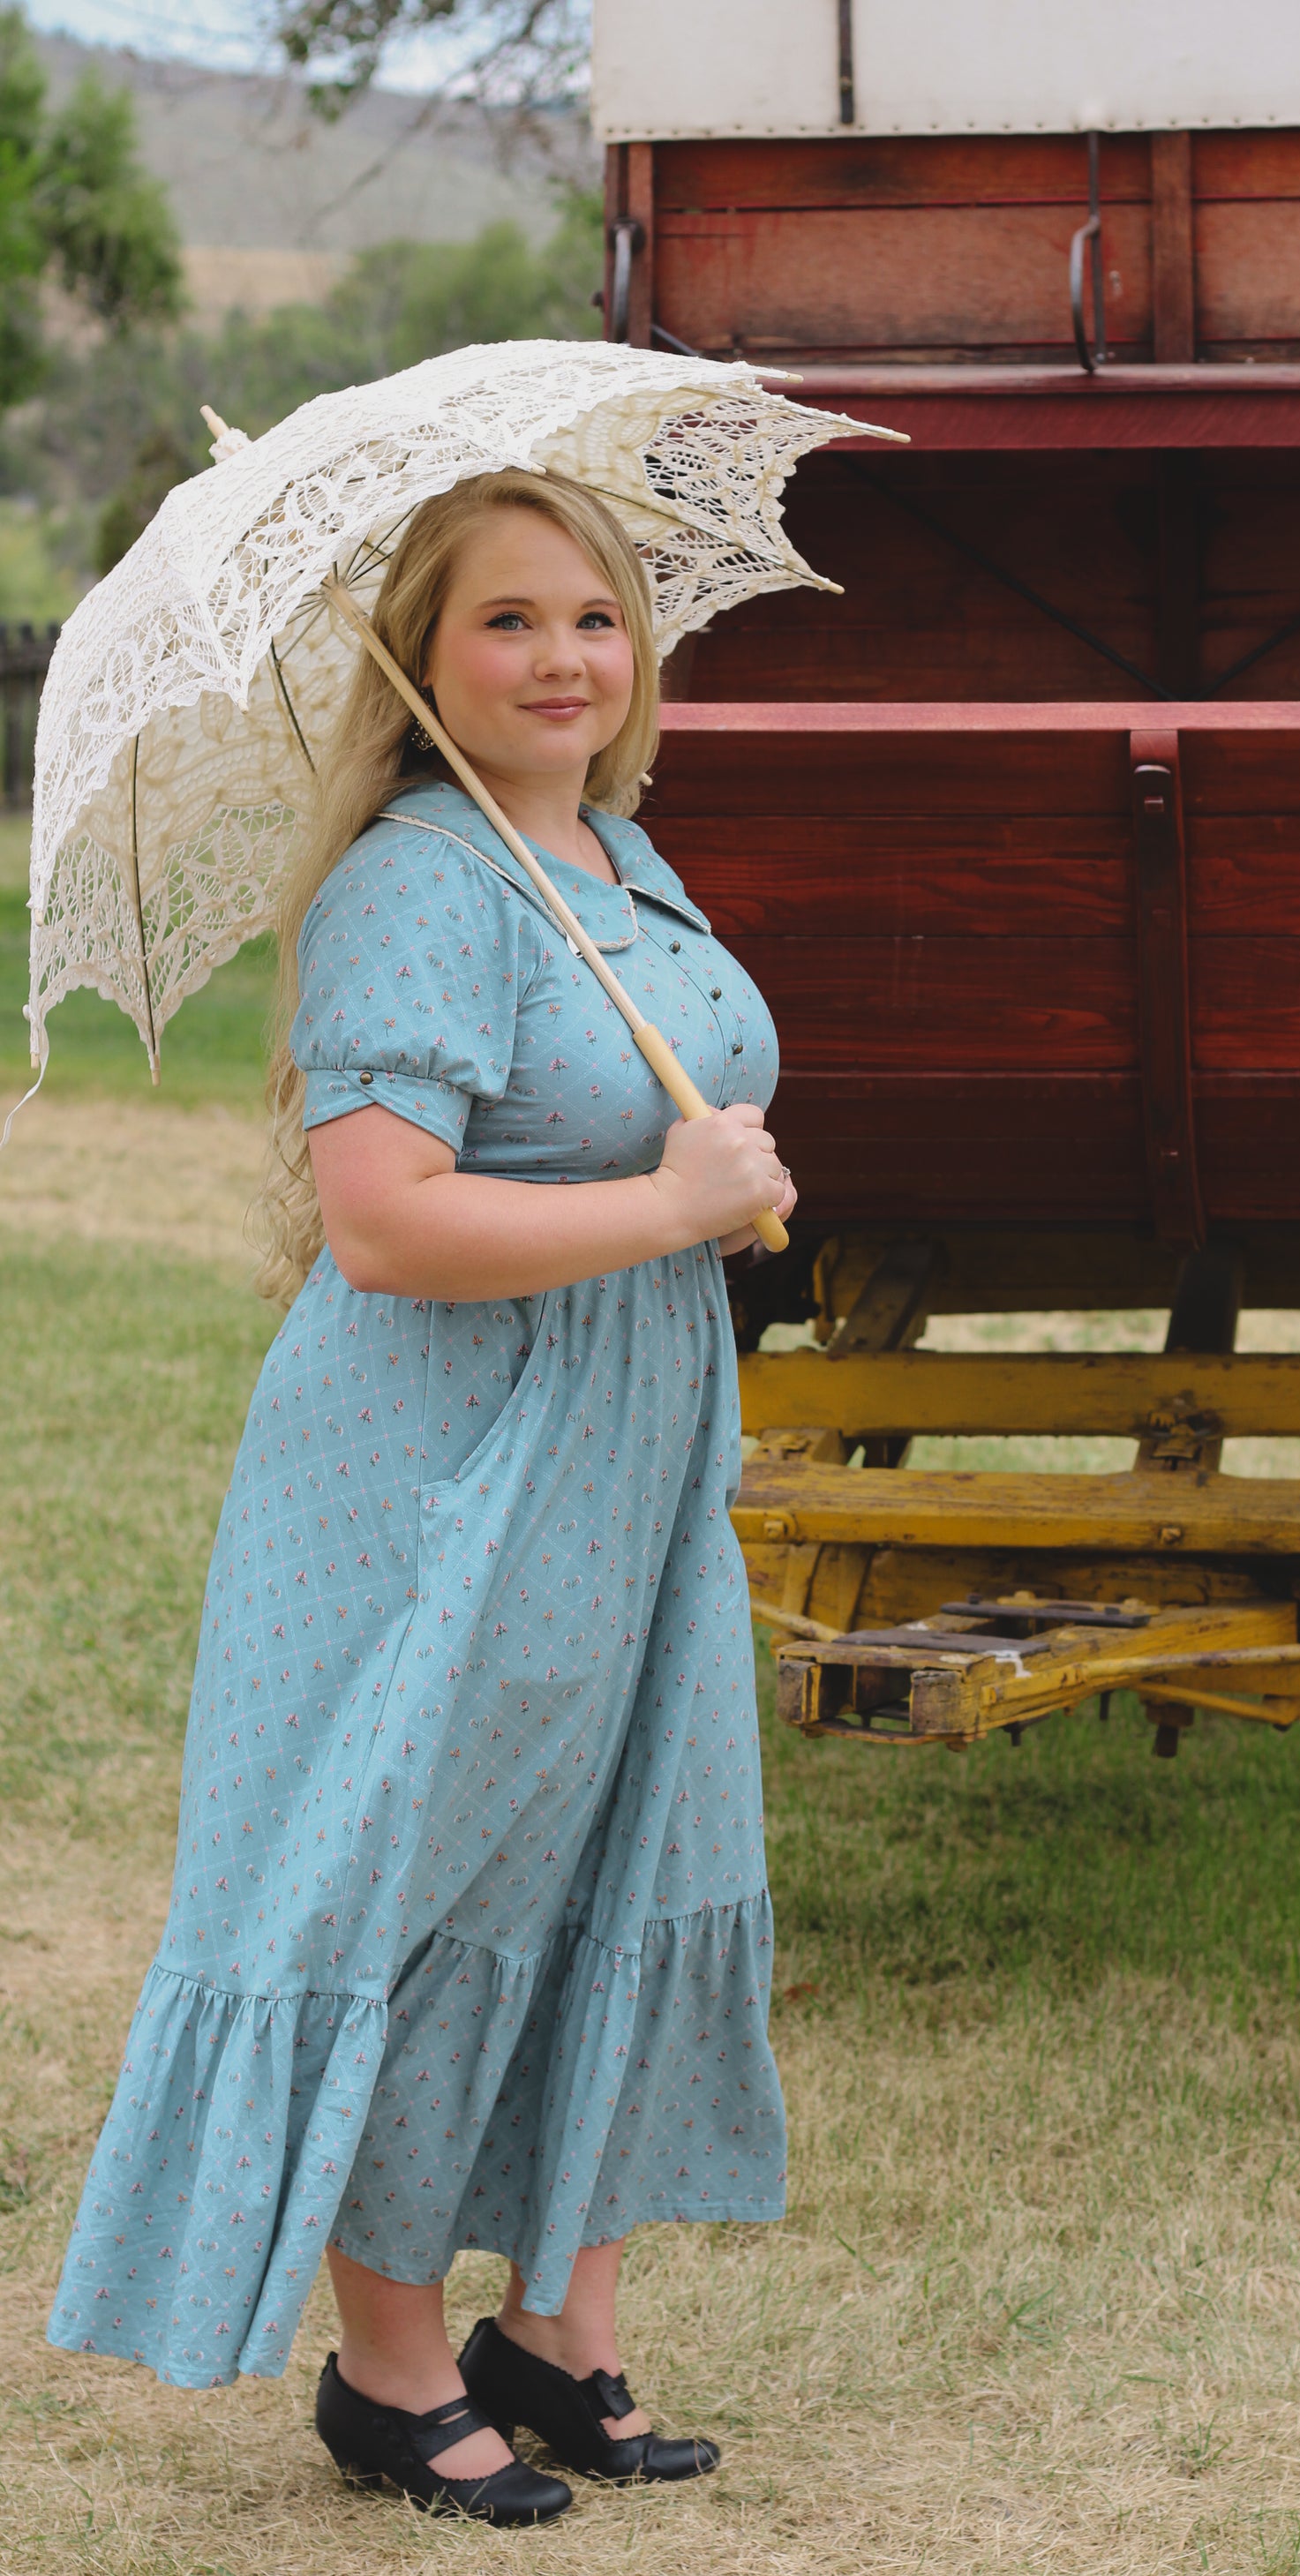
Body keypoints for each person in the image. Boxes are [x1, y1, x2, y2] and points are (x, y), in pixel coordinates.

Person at [47, 467, 796, 2526]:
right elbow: (384, 1223)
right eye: (508, 621)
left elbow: (666, 1122)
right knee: (428, 1871)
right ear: (422, 655)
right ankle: (389, 2370)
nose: (564, 657)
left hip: (637, 1438)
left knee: (636, 1841)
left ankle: (558, 2332)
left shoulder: (617, 857)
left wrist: (722, 1183)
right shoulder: (418, 878)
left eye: (596, 617)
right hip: (450, 1457)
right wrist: (668, 1194)